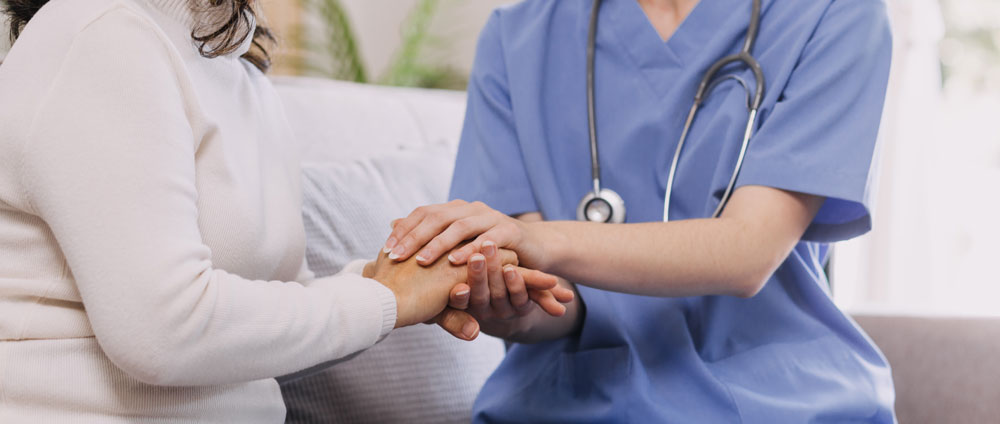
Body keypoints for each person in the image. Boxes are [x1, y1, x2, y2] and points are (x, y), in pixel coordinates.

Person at [0, 0, 568, 421]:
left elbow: (262, 338)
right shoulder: (102, 32)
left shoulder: (233, 63)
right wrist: (386, 298)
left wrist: (392, 282)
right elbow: (163, 332)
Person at [384, 0, 897, 421]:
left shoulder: (833, 14)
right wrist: (507, 302)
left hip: (781, 400)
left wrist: (542, 242)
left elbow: (750, 251)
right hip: (568, 403)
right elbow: (552, 302)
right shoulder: (517, 38)